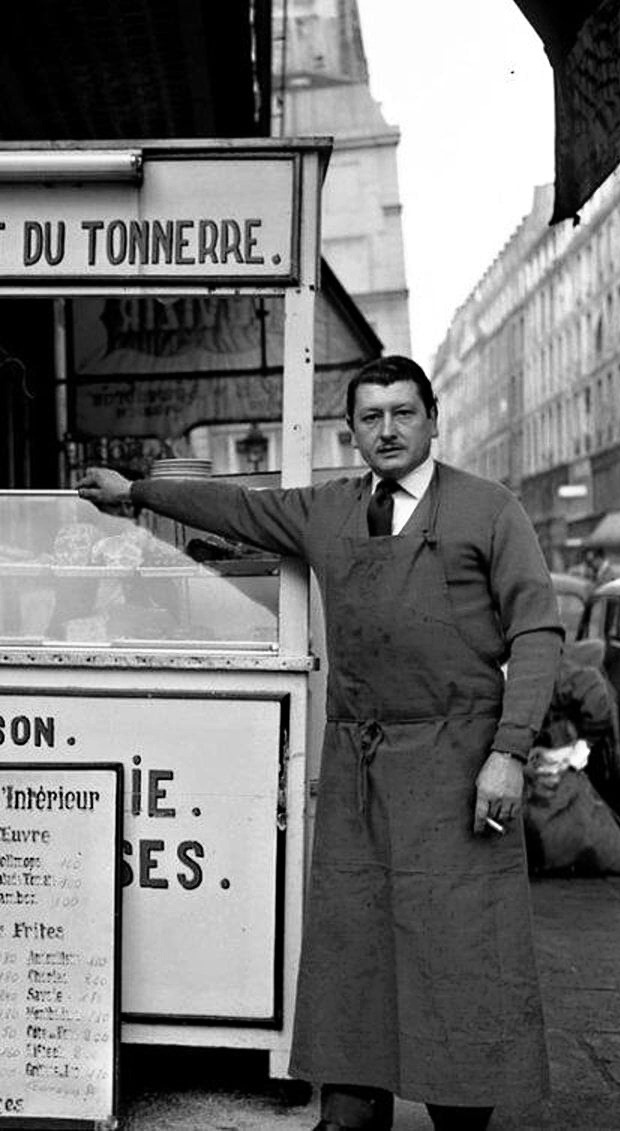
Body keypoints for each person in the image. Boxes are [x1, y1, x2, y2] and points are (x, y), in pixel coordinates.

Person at [77, 355, 563, 1131]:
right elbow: (235, 506)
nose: (389, 430)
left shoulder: (489, 508)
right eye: (371, 418)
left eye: (404, 413)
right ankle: (351, 1108)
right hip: (360, 774)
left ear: (433, 419)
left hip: (461, 769)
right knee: (355, 951)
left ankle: (460, 1111)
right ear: (352, 432)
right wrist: (137, 494)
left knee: (458, 954)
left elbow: (538, 630)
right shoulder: (329, 510)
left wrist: (508, 750)